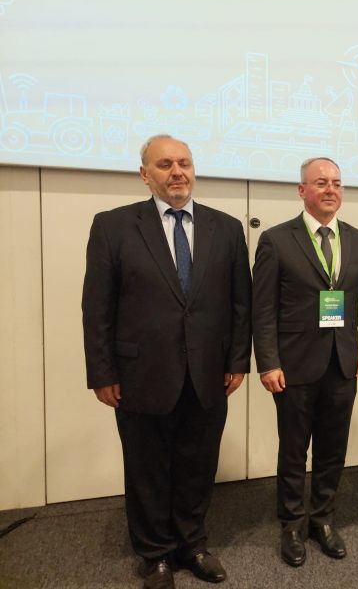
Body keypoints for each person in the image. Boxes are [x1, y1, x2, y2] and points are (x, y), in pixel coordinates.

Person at [82, 135, 252, 589]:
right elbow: (97, 307)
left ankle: (192, 544)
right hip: (140, 374)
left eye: (185, 163)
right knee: (147, 467)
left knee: (199, 463)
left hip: (209, 373)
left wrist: (238, 359)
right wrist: (102, 372)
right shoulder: (113, 226)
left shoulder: (226, 228)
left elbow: (241, 303)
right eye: (165, 164)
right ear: (145, 175)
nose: (177, 172)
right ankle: (155, 553)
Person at [252, 157, 358, 567]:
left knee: (332, 449)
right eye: (321, 183)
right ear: (302, 190)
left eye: (337, 183)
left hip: (343, 364)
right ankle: (292, 524)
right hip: (293, 367)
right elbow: (263, 309)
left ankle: (322, 519)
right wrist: (268, 362)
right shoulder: (276, 240)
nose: (331, 190)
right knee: (293, 451)